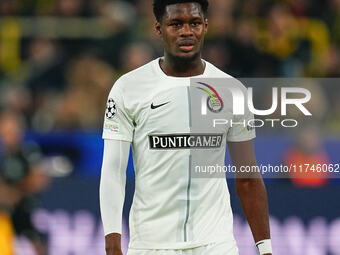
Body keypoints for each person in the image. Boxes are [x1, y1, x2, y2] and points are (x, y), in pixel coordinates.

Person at [100, 1, 272, 255]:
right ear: (159, 29)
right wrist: (113, 242)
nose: (186, 32)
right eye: (176, 24)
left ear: (205, 26)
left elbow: (247, 176)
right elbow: (114, 172)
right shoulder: (128, 88)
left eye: (194, 23)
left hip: (216, 244)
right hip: (151, 245)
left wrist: (266, 248)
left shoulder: (231, 90)